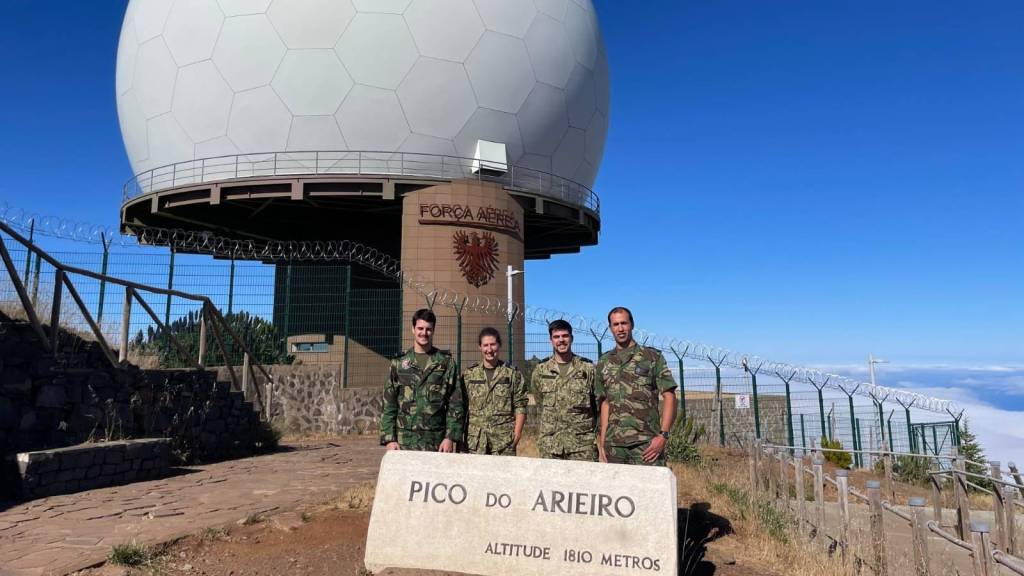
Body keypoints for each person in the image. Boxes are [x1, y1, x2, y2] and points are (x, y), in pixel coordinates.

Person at [596, 307, 677, 465]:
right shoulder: (604, 362)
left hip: (646, 444)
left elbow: (670, 396)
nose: (620, 328)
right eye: (616, 324)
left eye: (624, 323)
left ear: (632, 325)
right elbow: (605, 403)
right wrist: (603, 443)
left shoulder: (651, 357)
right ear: (610, 328)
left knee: (651, 489)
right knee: (615, 490)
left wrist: (663, 436)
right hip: (614, 446)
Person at [379, 308, 464, 452]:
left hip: (435, 442)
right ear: (413, 329)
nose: (424, 333)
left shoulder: (445, 363)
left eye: (428, 329)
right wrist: (389, 439)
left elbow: (455, 403)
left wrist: (449, 437)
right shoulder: (399, 363)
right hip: (404, 441)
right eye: (420, 328)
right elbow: (389, 403)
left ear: (433, 330)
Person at [531, 319, 599, 461]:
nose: (561, 340)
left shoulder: (588, 369)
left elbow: (597, 405)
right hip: (551, 445)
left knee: (583, 483)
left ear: (571, 338)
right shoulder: (541, 370)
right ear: (551, 341)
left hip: (582, 446)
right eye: (556, 337)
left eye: (565, 336)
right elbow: (540, 403)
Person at [462, 327, 527, 455]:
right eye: (485, 345)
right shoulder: (469, 374)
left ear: (499, 345)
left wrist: (517, 434)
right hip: (475, 442)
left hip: (503, 442)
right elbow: (462, 406)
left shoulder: (512, 374)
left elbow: (520, 405)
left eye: (493, 344)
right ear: (480, 347)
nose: (489, 349)